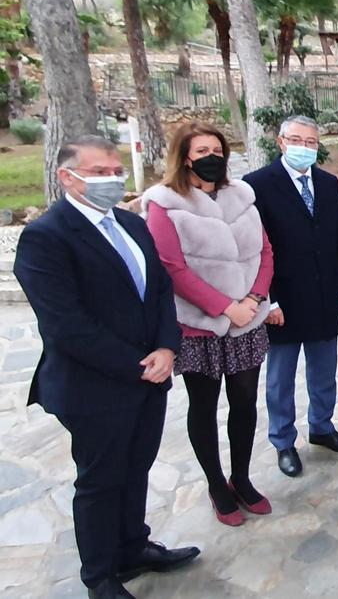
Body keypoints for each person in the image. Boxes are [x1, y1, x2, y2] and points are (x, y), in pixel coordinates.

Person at [15, 135, 200, 598]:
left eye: (116, 171)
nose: (112, 180)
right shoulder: (45, 237)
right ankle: (100, 574)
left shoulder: (129, 224)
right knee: (100, 480)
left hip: (149, 376)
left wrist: (166, 346)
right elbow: (66, 324)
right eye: (99, 173)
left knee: (136, 466)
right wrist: (139, 363)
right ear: (67, 176)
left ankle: (133, 547)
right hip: (95, 386)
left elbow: (158, 290)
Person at [143, 123, 274, 528]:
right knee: (204, 406)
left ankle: (241, 477)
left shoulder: (242, 196)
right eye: (202, 150)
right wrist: (223, 308)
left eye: (217, 148)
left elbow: (265, 251)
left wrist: (252, 300)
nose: (211, 156)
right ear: (185, 156)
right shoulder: (165, 204)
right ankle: (217, 485)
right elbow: (172, 268)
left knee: (245, 403)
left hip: (248, 320)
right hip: (200, 325)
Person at [243, 116, 338, 478]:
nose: (304, 148)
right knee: (281, 378)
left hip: (325, 294)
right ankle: (283, 440)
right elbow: (254, 249)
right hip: (284, 301)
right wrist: (268, 300)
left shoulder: (326, 183)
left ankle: (322, 427)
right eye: (297, 140)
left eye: (311, 142)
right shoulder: (258, 185)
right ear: (280, 142)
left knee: (324, 370)